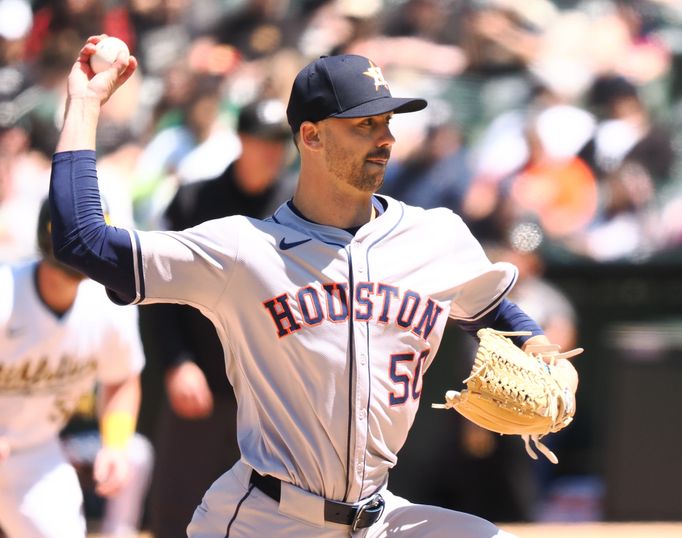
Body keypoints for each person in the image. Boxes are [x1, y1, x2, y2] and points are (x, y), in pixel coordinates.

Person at [49, 35, 579, 537]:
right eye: (365, 124)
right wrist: (85, 104)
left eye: (388, 122)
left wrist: (544, 352)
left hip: (378, 515)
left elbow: (496, 313)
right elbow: (83, 242)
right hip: (267, 518)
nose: (386, 138)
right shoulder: (242, 249)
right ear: (311, 135)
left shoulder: (435, 237)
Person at [142, 98, 296, 538]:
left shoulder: (298, 205)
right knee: (178, 509)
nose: (271, 151)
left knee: (271, 517)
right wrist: (176, 361)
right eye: (261, 140)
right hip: (205, 379)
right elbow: (159, 287)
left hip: (271, 390)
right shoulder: (195, 198)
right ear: (242, 141)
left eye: (278, 142)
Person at [0, 200, 145, 538]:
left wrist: (116, 443)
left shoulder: (111, 306)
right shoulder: (7, 290)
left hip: (36, 453)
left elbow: (122, 379)